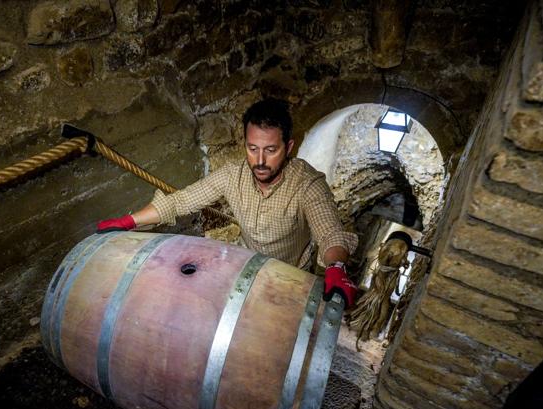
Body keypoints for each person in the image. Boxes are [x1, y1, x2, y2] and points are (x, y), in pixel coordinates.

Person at [96, 98, 358, 308]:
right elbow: (181, 201)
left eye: (271, 150)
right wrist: (130, 221)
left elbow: (329, 231)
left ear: (288, 148)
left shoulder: (306, 183)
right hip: (248, 265)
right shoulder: (233, 175)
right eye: (252, 148)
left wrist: (335, 267)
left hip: (292, 276)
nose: (260, 161)